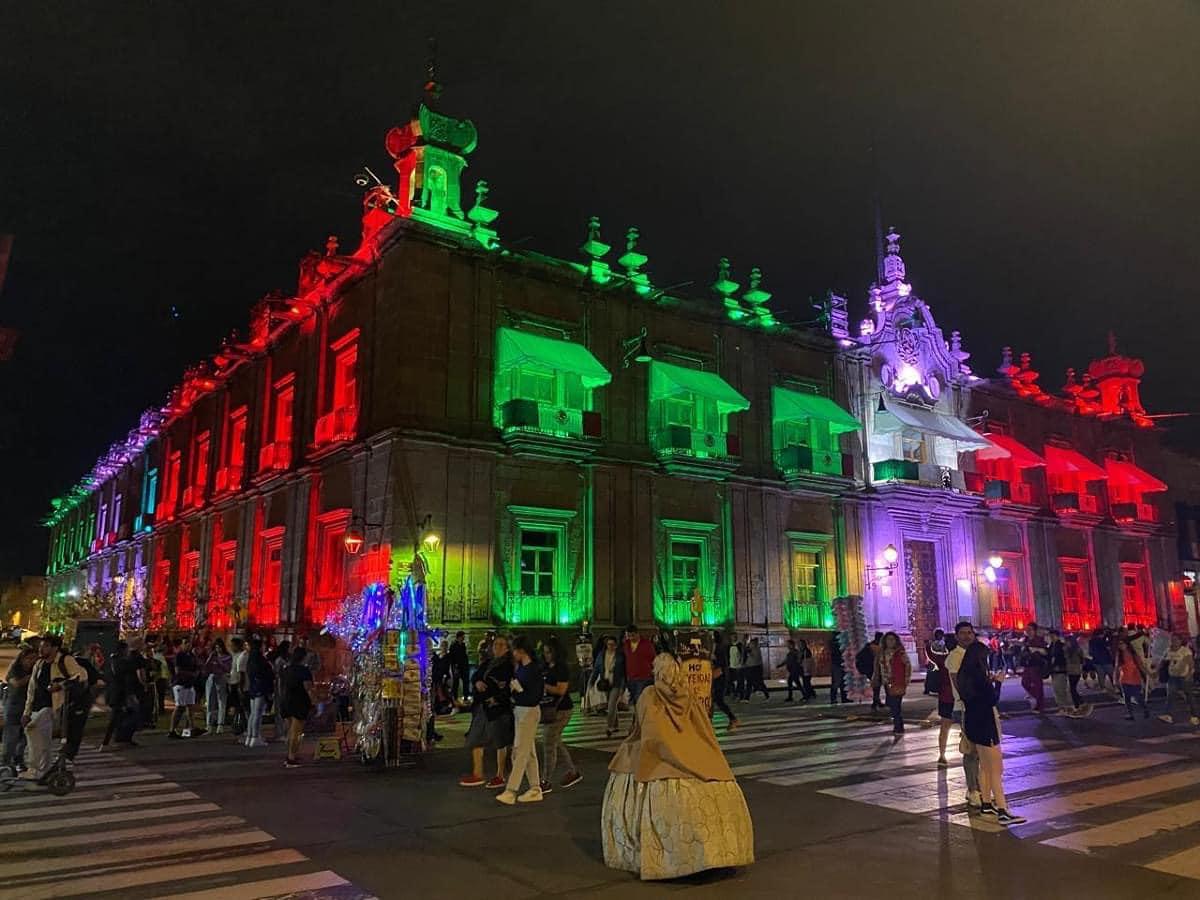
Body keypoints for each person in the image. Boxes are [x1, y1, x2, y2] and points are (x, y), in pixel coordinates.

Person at [601, 652, 754, 880]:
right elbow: (703, 730)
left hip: (660, 764)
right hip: (697, 758)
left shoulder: (648, 695)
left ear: (656, 672)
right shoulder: (689, 695)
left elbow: (647, 731)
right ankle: (716, 855)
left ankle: (667, 859)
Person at [957, 641, 1026, 825]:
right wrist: (998, 684)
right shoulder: (979, 677)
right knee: (996, 769)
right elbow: (992, 699)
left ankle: (986, 804)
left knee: (985, 767)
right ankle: (1003, 810)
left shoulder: (964, 675)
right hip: (985, 722)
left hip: (973, 721)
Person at [22, 634, 88, 780]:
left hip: (54, 706)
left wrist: (60, 685)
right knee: (37, 739)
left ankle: (39, 770)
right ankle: (40, 769)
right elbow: (32, 689)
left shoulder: (65, 660)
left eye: (45, 646)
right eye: (41, 647)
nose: (42, 649)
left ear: (54, 648)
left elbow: (81, 676)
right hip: (37, 706)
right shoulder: (39, 664)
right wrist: (26, 711)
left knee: (35, 733)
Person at [461, 634, 515, 787]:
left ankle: (500, 774)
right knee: (476, 738)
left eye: (501, 645)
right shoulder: (488, 663)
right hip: (482, 706)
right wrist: (477, 682)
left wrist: (496, 698)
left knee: (500, 741)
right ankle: (478, 773)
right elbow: (476, 676)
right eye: (495, 644)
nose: (497, 647)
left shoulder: (508, 666)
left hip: (497, 708)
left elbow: (509, 687)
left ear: (507, 648)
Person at [496, 635, 544, 805]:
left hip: (529, 711)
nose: (513, 653)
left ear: (521, 651)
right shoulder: (522, 669)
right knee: (528, 751)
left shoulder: (533, 669)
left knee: (520, 752)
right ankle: (535, 787)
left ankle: (511, 790)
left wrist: (519, 691)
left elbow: (535, 695)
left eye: (514, 650)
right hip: (520, 710)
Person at [945, 622, 983, 810]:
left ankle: (979, 786)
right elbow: (958, 683)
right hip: (964, 707)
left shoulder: (976, 654)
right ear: (956, 636)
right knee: (971, 750)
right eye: (962, 633)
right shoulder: (955, 656)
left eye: (969, 633)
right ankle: (973, 790)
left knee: (980, 752)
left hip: (979, 706)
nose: (967, 636)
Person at [538, 636, 582, 793]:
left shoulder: (561, 668)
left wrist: (544, 686)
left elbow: (561, 690)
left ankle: (546, 780)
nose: (546, 655)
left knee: (549, 744)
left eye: (549, 652)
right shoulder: (545, 666)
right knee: (555, 741)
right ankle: (572, 771)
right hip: (549, 708)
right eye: (544, 652)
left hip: (561, 709)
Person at [279, 646, 314, 767]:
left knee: (290, 731)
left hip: (286, 700)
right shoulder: (304, 670)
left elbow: (281, 684)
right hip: (299, 701)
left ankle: (290, 754)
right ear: (303, 657)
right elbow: (308, 688)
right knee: (296, 731)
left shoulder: (286, 669)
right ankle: (291, 758)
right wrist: (313, 701)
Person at [2, 647, 36, 772]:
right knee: (11, 737)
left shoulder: (35, 670)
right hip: (14, 706)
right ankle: (5, 763)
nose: (32, 661)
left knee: (24, 737)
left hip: (28, 707)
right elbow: (15, 683)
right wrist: (31, 677)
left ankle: (18, 760)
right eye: (29, 658)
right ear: (22, 659)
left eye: (34, 659)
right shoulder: (15, 669)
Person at [873, 632, 911, 735]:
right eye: (888, 639)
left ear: (896, 641)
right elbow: (877, 666)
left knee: (896, 705)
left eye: (892, 639)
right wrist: (875, 677)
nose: (890, 641)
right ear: (884, 641)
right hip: (887, 682)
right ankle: (897, 724)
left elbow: (907, 666)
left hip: (898, 682)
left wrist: (906, 679)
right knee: (892, 704)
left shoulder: (900, 653)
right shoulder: (882, 652)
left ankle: (898, 726)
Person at [1159, 633, 1199, 726]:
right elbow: (1163, 661)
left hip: (1184, 676)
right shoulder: (1168, 650)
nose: (1173, 642)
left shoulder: (1185, 651)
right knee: (1170, 696)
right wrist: (1157, 669)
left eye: (1176, 640)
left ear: (1180, 641)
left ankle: (1194, 716)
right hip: (1173, 676)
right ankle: (1168, 714)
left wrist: (1190, 674)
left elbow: (1191, 664)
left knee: (1189, 697)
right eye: (1172, 640)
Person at [928, 631, 954, 766]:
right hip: (961, 697)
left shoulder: (942, 659)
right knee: (966, 726)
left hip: (945, 697)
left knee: (945, 727)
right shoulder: (963, 657)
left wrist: (928, 643)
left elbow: (930, 653)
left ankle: (942, 755)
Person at [168, 637, 203, 738]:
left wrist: (196, 672)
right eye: (185, 643)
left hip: (189, 684)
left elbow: (197, 666)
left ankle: (192, 728)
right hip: (181, 683)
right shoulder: (179, 655)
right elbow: (177, 670)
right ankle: (172, 730)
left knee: (190, 706)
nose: (188, 645)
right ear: (181, 645)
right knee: (179, 707)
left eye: (189, 643)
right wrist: (191, 674)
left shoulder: (191, 655)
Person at [594, 634, 627, 738]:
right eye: (608, 644)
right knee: (611, 704)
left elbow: (624, 672)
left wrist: (623, 686)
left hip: (616, 683)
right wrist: (592, 680)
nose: (610, 646)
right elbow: (597, 668)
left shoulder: (620, 656)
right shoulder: (602, 654)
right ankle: (616, 725)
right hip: (606, 683)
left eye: (612, 644)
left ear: (616, 645)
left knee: (611, 704)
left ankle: (609, 727)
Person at [244, 637, 273, 747]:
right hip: (260, 687)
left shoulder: (251, 658)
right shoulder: (260, 659)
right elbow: (267, 674)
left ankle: (250, 736)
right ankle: (255, 737)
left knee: (253, 713)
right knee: (257, 713)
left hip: (253, 687)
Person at [622, 625, 656, 709]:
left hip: (644, 677)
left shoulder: (646, 644)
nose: (631, 638)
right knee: (633, 701)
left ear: (637, 634)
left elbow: (653, 659)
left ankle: (640, 719)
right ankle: (637, 718)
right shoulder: (626, 645)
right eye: (629, 636)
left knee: (639, 699)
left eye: (632, 635)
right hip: (631, 677)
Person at [710, 631, 739, 730]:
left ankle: (733, 719)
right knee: (713, 700)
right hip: (719, 677)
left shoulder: (719, 649)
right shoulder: (716, 648)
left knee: (718, 700)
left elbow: (721, 666)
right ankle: (709, 722)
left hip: (720, 678)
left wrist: (711, 676)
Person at [1117, 635, 1150, 720]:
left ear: (1127, 644)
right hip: (1124, 679)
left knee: (1137, 697)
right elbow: (1117, 667)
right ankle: (1130, 714)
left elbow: (1141, 665)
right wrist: (1115, 678)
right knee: (1127, 698)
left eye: (1122, 643)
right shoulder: (1119, 655)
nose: (1121, 645)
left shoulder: (1133, 654)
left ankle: (1145, 709)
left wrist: (1148, 674)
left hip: (1134, 678)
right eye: (1119, 644)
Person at [203, 638, 232, 734]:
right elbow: (206, 668)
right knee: (210, 701)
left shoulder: (227, 657)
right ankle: (209, 724)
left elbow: (228, 669)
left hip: (221, 678)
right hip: (211, 678)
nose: (217, 649)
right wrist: (210, 658)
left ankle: (220, 724)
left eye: (219, 647)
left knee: (221, 702)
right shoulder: (212, 656)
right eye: (216, 647)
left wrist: (219, 663)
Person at [1020, 623, 1048, 713]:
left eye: (1030, 629)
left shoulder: (1039, 639)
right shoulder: (1026, 640)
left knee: (1038, 685)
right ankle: (1038, 697)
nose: (1028, 631)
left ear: (1035, 630)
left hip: (1036, 665)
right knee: (1024, 682)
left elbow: (1045, 652)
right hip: (1028, 665)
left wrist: (1036, 649)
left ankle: (1040, 706)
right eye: (1027, 629)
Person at [270, 640, 292, 739]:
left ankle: (285, 731)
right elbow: (277, 674)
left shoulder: (288, 659)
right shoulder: (279, 660)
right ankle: (280, 732)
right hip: (280, 686)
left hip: (287, 686)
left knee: (286, 710)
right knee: (279, 710)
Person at [228, 637, 248, 735]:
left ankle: (243, 726)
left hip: (238, 683)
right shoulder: (234, 655)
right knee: (236, 706)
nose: (231, 647)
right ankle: (238, 725)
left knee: (241, 706)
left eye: (232, 645)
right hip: (232, 682)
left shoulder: (242, 656)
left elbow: (241, 673)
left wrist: (240, 686)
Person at [1089, 629, 1116, 694]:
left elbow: (1091, 652)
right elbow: (1108, 646)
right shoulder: (1102, 641)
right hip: (1105, 660)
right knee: (1111, 674)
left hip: (1096, 661)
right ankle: (1115, 687)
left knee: (1101, 675)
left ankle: (1103, 688)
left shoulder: (1091, 641)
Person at [449, 630, 471, 703]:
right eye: (462, 637)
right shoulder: (453, 645)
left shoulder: (463, 645)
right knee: (456, 682)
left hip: (464, 666)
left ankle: (465, 697)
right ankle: (455, 697)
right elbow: (452, 657)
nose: (463, 638)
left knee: (466, 681)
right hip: (457, 666)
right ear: (459, 637)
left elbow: (464, 656)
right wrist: (454, 667)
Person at [829, 631, 849, 703]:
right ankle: (834, 698)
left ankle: (844, 697)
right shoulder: (835, 644)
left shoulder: (836, 643)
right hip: (837, 665)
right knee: (837, 682)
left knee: (842, 682)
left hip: (840, 664)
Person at [729, 636, 745, 704]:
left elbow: (742, 655)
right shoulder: (730, 646)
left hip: (738, 666)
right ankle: (735, 694)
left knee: (739, 681)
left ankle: (740, 695)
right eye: (732, 637)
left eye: (734, 637)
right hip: (732, 666)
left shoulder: (739, 645)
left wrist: (741, 663)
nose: (733, 638)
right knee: (732, 681)